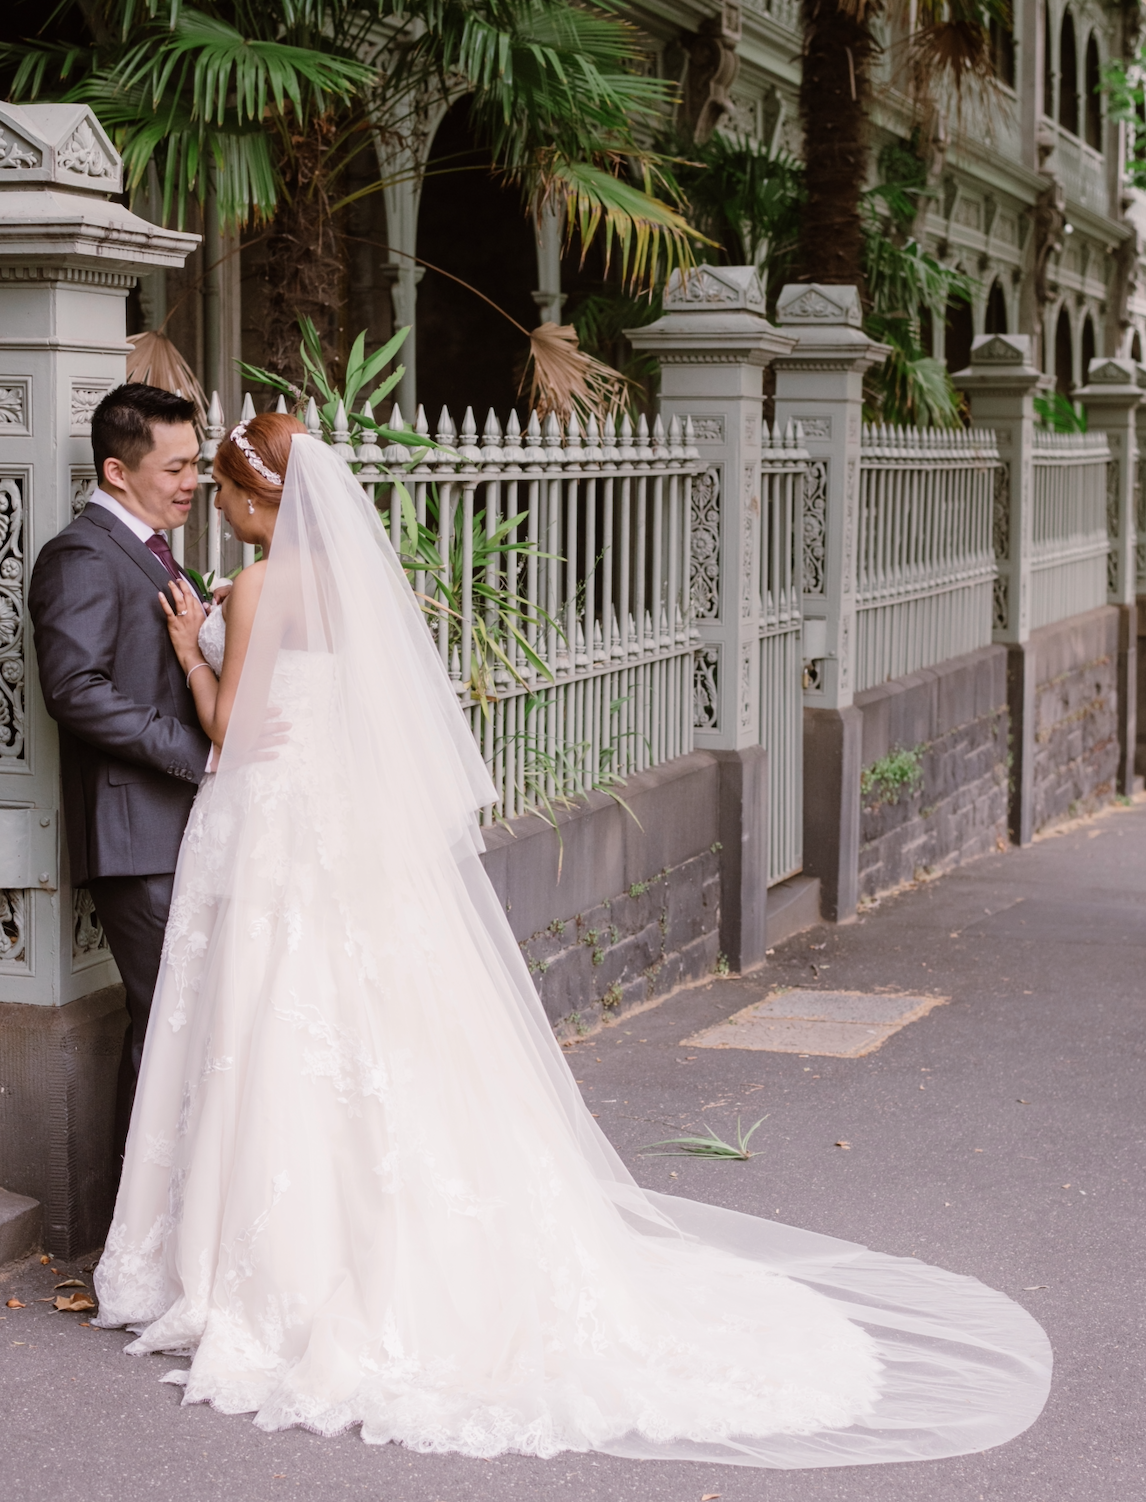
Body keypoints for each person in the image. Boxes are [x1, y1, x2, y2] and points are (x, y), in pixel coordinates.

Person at [93, 416, 1052, 1469]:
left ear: (254, 497)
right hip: (346, 829)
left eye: (222, 490)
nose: (213, 506)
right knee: (364, 1017)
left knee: (271, 1016)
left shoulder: (267, 585)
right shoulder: (354, 586)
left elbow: (232, 725)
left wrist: (191, 650)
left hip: (277, 818)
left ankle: (262, 1259)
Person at [28, 385, 212, 1150]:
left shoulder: (153, 551)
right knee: (170, 1022)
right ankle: (132, 1229)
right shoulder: (79, 556)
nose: (191, 482)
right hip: (136, 833)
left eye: (196, 464)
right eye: (175, 468)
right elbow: (75, 690)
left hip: (183, 826)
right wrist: (197, 756)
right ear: (115, 469)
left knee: (190, 1023)